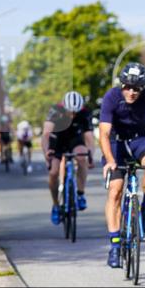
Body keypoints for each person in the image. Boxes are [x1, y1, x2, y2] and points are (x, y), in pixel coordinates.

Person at [100, 62, 145, 268]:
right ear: (122, 85)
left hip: (139, 141)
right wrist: (110, 161)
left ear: (143, 88)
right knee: (116, 190)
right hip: (115, 143)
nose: (131, 92)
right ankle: (115, 245)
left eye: (136, 88)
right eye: (127, 86)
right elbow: (103, 133)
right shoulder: (111, 97)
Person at [42, 91, 95, 224]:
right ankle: (55, 205)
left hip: (74, 138)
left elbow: (89, 138)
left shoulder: (84, 112)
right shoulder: (55, 110)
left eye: (75, 113)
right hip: (58, 139)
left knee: (82, 157)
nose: (72, 115)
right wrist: (47, 153)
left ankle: (81, 193)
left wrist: (91, 157)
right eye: (70, 112)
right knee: (53, 172)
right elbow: (46, 135)